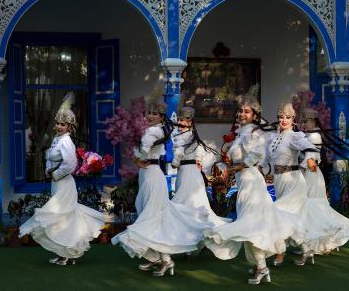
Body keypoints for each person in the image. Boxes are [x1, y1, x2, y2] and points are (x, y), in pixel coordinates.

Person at [204, 86, 303, 285]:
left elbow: (256, 157)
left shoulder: (253, 134)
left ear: (255, 115)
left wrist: (230, 170)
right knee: (250, 225)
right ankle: (260, 266)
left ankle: (262, 267)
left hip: (251, 184)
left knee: (250, 226)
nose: (241, 114)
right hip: (244, 184)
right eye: (240, 111)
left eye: (246, 111)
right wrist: (224, 167)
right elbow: (235, 160)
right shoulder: (242, 133)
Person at [111, 100, 212, 277]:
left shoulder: (153, 131)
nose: (149, 116)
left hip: (151, 174)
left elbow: (142, 151)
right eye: (148, 113)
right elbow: (142, 152)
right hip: (148, 173)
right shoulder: (157, 130)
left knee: (150, 217)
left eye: (154, 114)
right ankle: (160, 258)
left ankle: (162, 259)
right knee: (149, 216)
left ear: (161, 117)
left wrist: (136, 156)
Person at [20, 92, 105, 265]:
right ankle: (64, 253)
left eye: (63, 124)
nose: (59, 126)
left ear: (70, 127)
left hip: (64, 184)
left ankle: (67, 254)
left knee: (62, 218)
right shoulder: (57, 140)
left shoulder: (66, 142)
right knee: (60, 220)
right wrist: (48, 171)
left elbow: (70, 164)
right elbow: (50, 159)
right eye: (58, 123)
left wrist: (55, 174)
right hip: (57, 184)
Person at [267, 102, 340, 266]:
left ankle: (280, 253)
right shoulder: (274, 137)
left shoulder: (296, 136)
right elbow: (271, 159)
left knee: (280, 214)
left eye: (288, 117)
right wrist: (266, 172)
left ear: (293, 120)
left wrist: (307, 163)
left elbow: (312, 151)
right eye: (281, 117)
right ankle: (307, 249)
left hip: (294, 180)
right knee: (292, 218)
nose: (284, 120)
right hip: (280, 180)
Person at [300, 108, 349, 254]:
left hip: (311, 175)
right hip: (308, 174)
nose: (304, 123)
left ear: (312, 121)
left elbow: (311, 161)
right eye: (303, 121)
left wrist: (296, 166)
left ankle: (320, 240)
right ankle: (311, 241)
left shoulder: (314, 136)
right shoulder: (307, 135)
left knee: (313, 207)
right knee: (309, 208)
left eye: (306, 121)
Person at [171, 106, 230, 226]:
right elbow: (199, 154)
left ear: (190, 122)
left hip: (187, 173)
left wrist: (175, 163)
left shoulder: (184, 137)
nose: (179, 123)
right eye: (179, 120)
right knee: (190, 202)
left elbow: (179, 153)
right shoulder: (192, 136)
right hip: (189, 172)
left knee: (184, 202)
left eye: (182, 120)